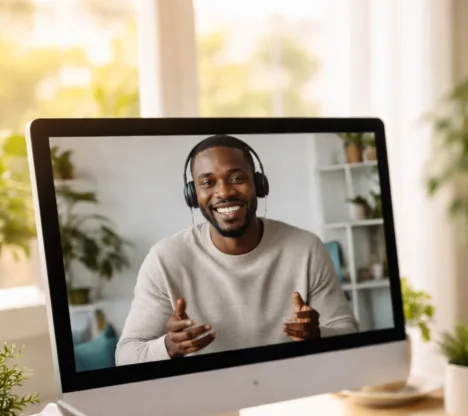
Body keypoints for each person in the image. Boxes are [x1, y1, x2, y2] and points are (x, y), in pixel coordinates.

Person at [115, 134, 358, 365]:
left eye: (236, 178)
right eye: (208, 183)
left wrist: (317, 336)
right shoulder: (164, 259)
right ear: (192, 195)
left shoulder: (306, 248)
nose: (224, 192)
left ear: (259, 184)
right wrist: (169, 346)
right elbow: (126, 356)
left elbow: (348, 332)